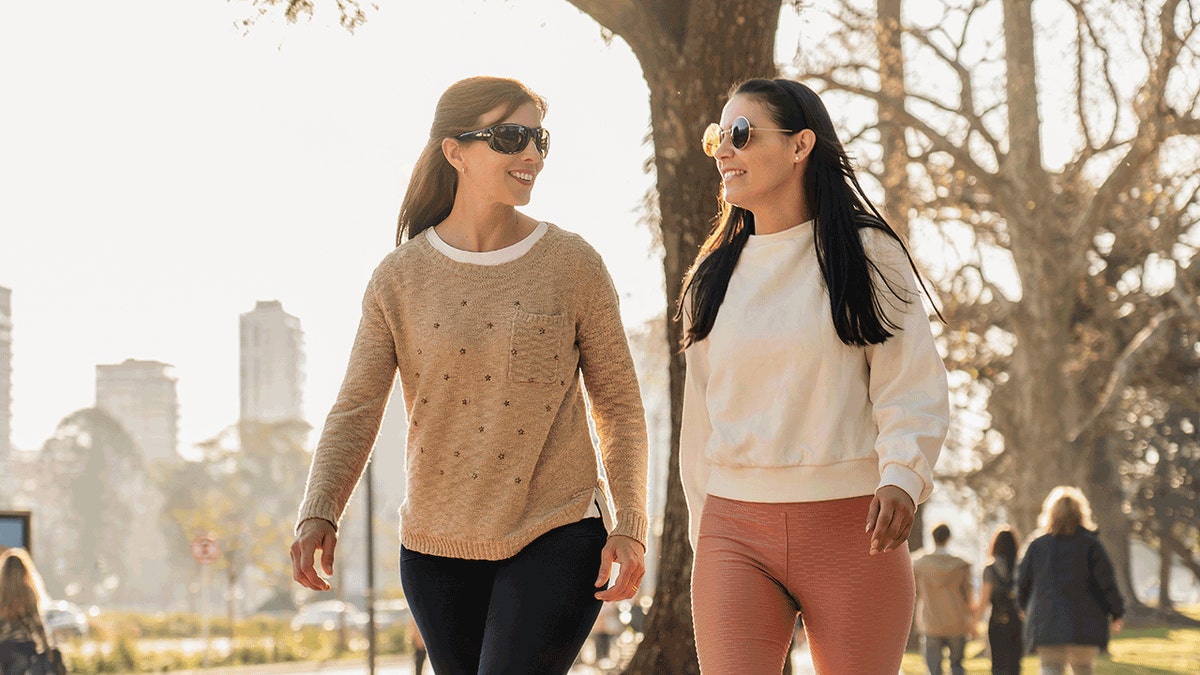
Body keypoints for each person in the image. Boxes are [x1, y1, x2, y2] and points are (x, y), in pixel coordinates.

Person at [289, 76, 649, 675]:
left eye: (539, 138)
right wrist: (319, 508)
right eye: (511, 137)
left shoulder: (572, 264)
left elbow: (618, 405)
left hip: (557, 528)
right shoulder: (397, 279)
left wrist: (631, 525)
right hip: (434, 548)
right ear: (453, 151)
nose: (531, 154)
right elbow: (356, 407)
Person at [678, 77, 950, 674]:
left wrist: (902, 477)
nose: (724, 150)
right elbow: (699, 417)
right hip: (732, 532)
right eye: (717, 138)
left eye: (742, 134)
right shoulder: (709, 278)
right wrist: (705, 527)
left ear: (801, 145)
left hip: (855, 529)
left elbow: (910, 381)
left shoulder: (867, 253)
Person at [1018, 486, 1124, 675]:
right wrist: (1116, 613)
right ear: (1081, 512)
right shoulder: (1091, 545)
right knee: (1083, 669)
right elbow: (1106, 582)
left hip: (1047, 623)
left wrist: (1024, 607)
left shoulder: (1037, 546)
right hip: (1085, 625)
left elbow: (1022, 583)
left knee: (1050, 668)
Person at [913, 524, 975, 675]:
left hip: (931, 621)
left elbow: (915, 592)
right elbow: (968, 595)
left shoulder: (919, 564)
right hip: (957, 621)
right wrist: (972, 620)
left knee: (933, 670)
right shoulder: (961, 564)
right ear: (948, 538)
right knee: (957, 666)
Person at [976, 526, 1023, 675]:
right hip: (1018, 621)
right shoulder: (1021, 566)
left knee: (998, 664)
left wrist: (974, 622)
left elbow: (984, 599)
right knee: (1015, 665)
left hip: (997, 621)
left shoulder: (990, 568)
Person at [0, 548, 53, 675]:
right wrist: (48, 648)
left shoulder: (1, 594)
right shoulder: (28, 593)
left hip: (3, 650)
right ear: (25, 570)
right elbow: (38, 624)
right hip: (25, 650)